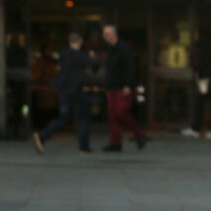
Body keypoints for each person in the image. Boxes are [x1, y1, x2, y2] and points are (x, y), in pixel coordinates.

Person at [33, 32, 96, 154]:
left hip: (63, 91)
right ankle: (84, 146)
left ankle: (42, 135)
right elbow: (94, 64)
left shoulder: (64, 54)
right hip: (75, 90)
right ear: (81, 41)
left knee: (63, 119)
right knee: (85, 116)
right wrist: (92, 56)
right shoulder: (79, 55)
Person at [100, 24, 148, 152]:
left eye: (107, 34)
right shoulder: (109, 49)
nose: (104, 36)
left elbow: (131, 67)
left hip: (123, 86)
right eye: (104, 34)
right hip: (111, 86)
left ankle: (140, 134)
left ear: (114, 34)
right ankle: (115, 143)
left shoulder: (124, 48)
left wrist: (128, 84)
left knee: (121, 111)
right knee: (112, 116)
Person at [182, 30, 211, 140]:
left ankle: (203, 128)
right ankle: (206, 128)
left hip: (207, 79)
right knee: (206, 104)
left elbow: (199, 63)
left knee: (204, 104)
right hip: (209, 79)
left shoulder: (205, 47)